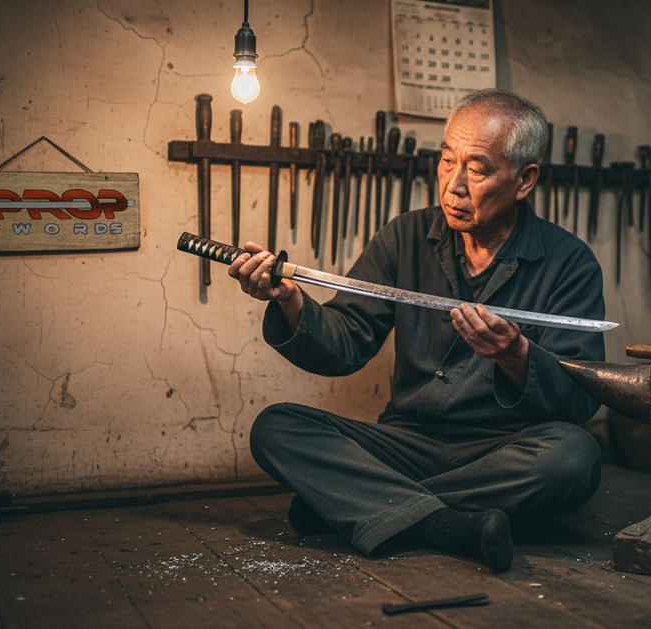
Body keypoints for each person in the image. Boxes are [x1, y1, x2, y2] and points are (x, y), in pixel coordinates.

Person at [229, 89, 606, 573]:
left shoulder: (569, 263)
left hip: (502, 451)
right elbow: (347, 342)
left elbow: (579, 402)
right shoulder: (404, 236)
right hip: (405, 444)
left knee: (573, 456)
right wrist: (292, 302)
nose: (453, 186)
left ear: (524, 180)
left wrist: (515, 356)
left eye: (477, 169)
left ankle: (361, 507)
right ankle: (445, 524)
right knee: (277, 427)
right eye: (447, 161)